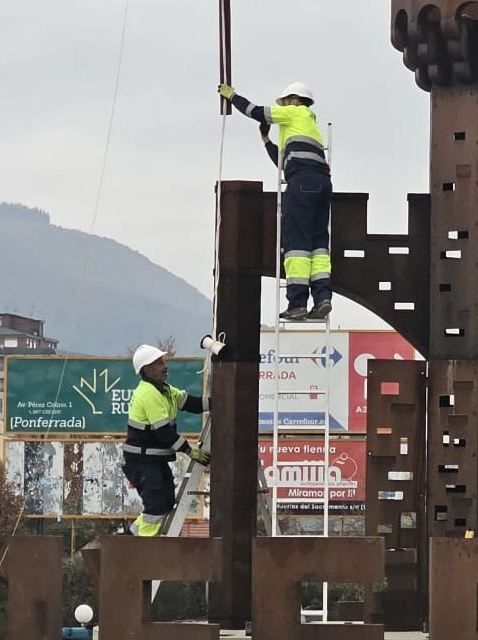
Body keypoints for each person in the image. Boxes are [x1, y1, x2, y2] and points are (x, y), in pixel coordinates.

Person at [218, 80, 333, 321]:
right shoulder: (308, 125)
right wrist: (266, 141)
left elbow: (256, 111)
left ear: (293, 100)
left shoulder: (293, 113)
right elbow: (283, 163)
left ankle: (298, 304)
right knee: (319, 244)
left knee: (297, 246)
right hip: (322, 183)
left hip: (301, 184)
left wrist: (233, 97)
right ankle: (322, 299)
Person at [122, 345, 211, 536]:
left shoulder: (166, 390)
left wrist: (219, 401)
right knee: (155, 506)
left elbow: (191, 403)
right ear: (148, 370)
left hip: (154, 460)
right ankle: (141, 549)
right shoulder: (149, 393)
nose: (165, 366)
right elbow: (163, 432)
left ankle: (129, 539)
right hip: (141, 462)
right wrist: (190, 451)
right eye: (160, 362)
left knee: (166, 502)